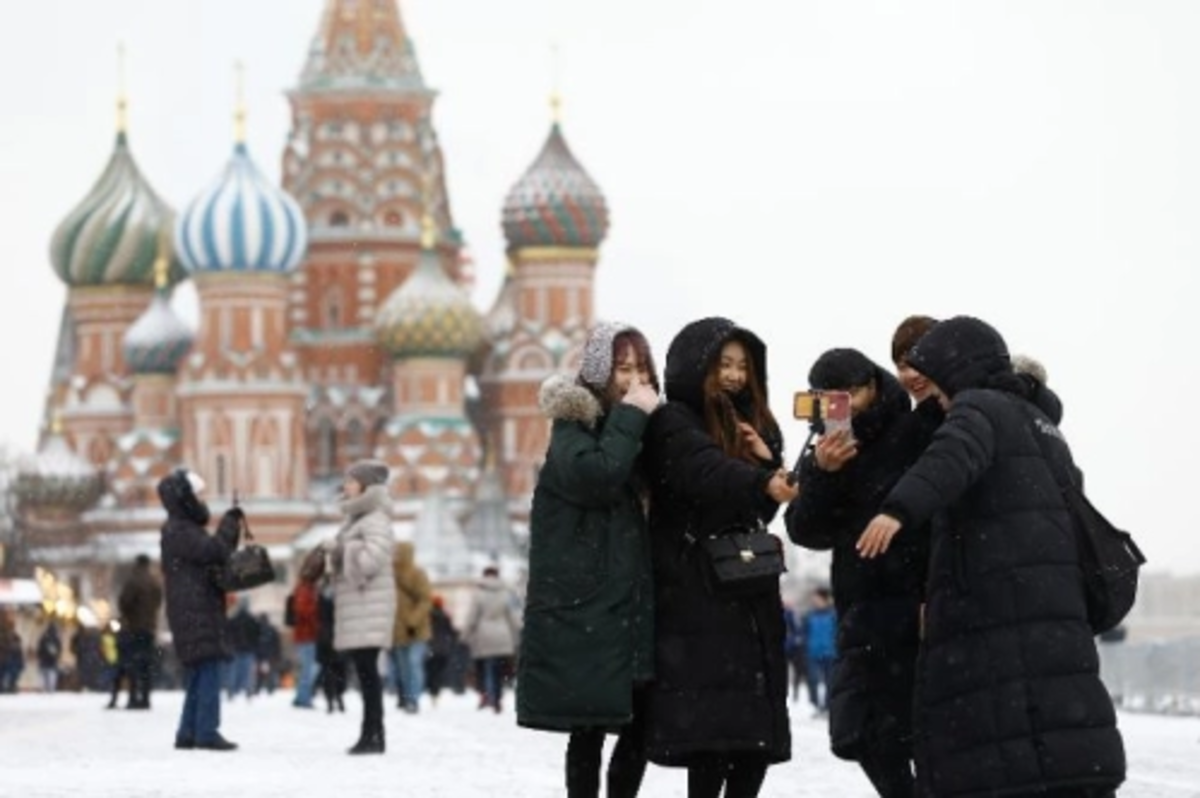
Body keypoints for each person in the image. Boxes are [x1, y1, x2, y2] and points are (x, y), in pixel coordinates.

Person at [857, 316, 1125, 798]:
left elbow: (951, 456)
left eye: (936, 379)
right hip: (1055, 614)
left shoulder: (976, 407)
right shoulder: (1042, 424)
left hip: (993, 607)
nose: (934, 395)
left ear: (958, 369)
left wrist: (897, 510)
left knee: (994, 752)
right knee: (1056, 746)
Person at [641, 316, 798, 798]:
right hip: (698, 596)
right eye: (723, 364)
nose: (733, 376)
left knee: (755, 741)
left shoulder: (749, 425)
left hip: (748, 590)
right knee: (711, 741)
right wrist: (759, 477)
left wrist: (768, 463)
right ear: (698, 366)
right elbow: (703, 470)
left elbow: (761, 508)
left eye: (742, 366)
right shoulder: (674, 422)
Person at [784, 346, 942, 796]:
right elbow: (805, 530)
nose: (844, 405)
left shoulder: (912, 430)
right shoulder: (826, 447)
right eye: (830, 397)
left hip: (916, 605)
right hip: (860, 611)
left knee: (926, 732)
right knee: (863, 733)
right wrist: (823, 472)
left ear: (872, 386)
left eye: (851, 392)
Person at [518, 321, 661, 798]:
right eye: (623, 368)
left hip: (634, 603)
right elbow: (598, 475)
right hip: (591, 607)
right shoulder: (572, 426)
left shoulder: (645, 428)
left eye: (641, 368)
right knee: (590, 729)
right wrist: (634, 417)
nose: (633, 379)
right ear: (600, 372)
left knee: (640, 725)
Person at [158, 468, 242, 751]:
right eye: (197, 494)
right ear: (185, 498)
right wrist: (230, 525)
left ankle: (188, 731)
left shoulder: (177, 528)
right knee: (207, 669)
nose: (202, 500)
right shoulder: (181, 530)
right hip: (196, 609)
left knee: (198, 670)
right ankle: (206, 731)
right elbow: (214, 552)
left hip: (190, 608)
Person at [326, 459, 396, 755]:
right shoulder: (356, 519)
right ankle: (371, 734)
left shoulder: (375, 519)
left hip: (370, 607)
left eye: (352, 481)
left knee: (368, 675)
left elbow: (370, 561)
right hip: (360, 607)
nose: (346, 486)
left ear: (366, 486)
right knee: (366, 675)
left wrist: (343, 550)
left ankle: (374, 736)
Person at [464, 565, 521, 714]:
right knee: (498, 670)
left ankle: (486, 696)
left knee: (484, 668)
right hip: (503, 636)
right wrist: (517, 636)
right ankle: (497, 699)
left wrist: (465, 635)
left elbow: (472, 617)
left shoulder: (478, 594)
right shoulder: (507, 593)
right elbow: (513, 618)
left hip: (483, 635)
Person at [115, 553, 163, 709]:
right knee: (146, 664)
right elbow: (158, 602)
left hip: (134, 628)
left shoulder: (133, 581)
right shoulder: (154, 582)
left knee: (133, 664)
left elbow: (124, 602)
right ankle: (146, 697)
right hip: (149, 628)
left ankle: (133, 697)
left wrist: (129, 615)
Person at [390, 541, 432, 713]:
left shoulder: (417, 574)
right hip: (397, 631)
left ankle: (413, 699)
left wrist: (413, 621)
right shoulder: (389, 575)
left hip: (416, 630)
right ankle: (407, 698)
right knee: (403, 668)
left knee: (414, 664)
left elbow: (425, 600)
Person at [287, 568, 321, 709]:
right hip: (306, 635)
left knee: (308, 668)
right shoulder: (305, 590)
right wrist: (316, 615)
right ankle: (303, 698)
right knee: (308, 668)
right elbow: (303, 611)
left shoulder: (304, 589)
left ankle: (302, 696)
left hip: (306, 635)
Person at [424, 595, 457, 705]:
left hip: (431, 648)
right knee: (439, 672)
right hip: (443, 649)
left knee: (431, 672)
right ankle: (436, 691)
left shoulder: (428, 617)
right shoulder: (445, 617)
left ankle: (432, 691)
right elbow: (452, 633)